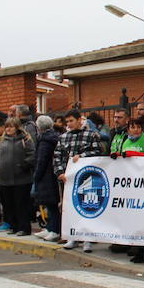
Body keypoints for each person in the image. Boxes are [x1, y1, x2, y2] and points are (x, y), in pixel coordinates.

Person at [54, 108, 110, 254]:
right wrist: (59, 172)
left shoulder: (91, 135)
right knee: (69, 207)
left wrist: (82, 155)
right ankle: (72, 236)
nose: (69, 124)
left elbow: (98, 152)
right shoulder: (63, 137)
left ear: (80, 120)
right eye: (67, 122)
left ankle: (87, 239)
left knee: (86, 206)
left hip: (85, 177)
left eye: (72, 121)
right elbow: (57, 156)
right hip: (68, 179)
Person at [110, 113, 144, 262]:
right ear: (128, 129)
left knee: (141, 215)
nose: (135, 130)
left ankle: (141, 247)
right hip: (129, 183)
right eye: (132, 127)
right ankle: (130, 242)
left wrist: (132, 154)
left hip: (143, 182)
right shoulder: (126, 142)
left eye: (138, 127)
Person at [0, 118, 35, 236]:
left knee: (21, 204)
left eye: (11, 126)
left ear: (17, 127)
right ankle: (14, 226)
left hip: (22, 179)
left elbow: (32, 155)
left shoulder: (26, 140)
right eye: (7, 126)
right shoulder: (2, 141)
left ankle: (24, 228)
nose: (8, 129)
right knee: (9, 205)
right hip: (4, 179)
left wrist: (24, 165)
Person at [31, 115, 61, 242]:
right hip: (51, 175)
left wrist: (36, 177)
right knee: (49, 205)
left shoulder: (44, 141)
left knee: (51, 204)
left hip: (47, 177)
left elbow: (41, 161)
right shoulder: (51, 138)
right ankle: (50, 228)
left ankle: (54, 230)